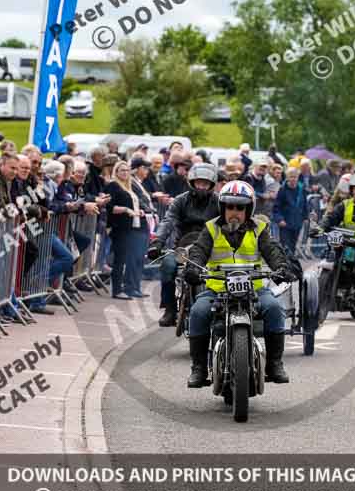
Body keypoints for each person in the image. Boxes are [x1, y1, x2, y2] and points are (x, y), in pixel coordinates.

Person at [183, 181, 297, 387]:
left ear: (249, 209)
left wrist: (282, 267)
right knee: (198, 312)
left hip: (255, 288)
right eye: (229, 207)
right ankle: (198, 368)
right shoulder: (210, 228)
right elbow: (199, 251)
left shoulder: (260, 229)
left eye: (240, 207)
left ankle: (274, 364)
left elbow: (272, 250)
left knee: (274, 309)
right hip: (217, 289)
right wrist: (193, 268)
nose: (234, 212)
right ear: (222, 208)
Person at [147, 162, 220, 327]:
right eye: (199, 182)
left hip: (211, 248)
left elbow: (227, 225)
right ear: (192, 182)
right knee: (167, 266)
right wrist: (157, 242)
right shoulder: (181, 200)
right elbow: (168, 221)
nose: (201, 186)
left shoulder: (218, 202)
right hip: (182, 248)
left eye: (205, 183)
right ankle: (170, 309)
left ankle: (223, 307)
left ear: (211, 184)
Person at [106, 161, 151, 299]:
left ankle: (126, 288)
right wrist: (126, 210)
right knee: (120, 259)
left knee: (127, 258)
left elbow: (133, 205)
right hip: (120, 227)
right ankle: (117, 290)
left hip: (132, 226)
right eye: (122, 170)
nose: (125, 173)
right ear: (116, 172)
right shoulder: (113, 186)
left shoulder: (129, 186)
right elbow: (110, 207)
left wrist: (140, 211)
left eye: (127, 170)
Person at [273, 167, 309, 255]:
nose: (293, 179)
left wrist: (306, 217)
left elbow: (305, 204)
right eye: (291, 177)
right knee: (286, 247)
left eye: (295, 177)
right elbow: (276, 207)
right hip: (285, 223)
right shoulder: (282, 189)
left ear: (297, 177)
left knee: (293, 247)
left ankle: (291, 266)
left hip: (297, 223)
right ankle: (285, 266)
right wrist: (280, 219)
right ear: (287, 178)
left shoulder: (301, 188)